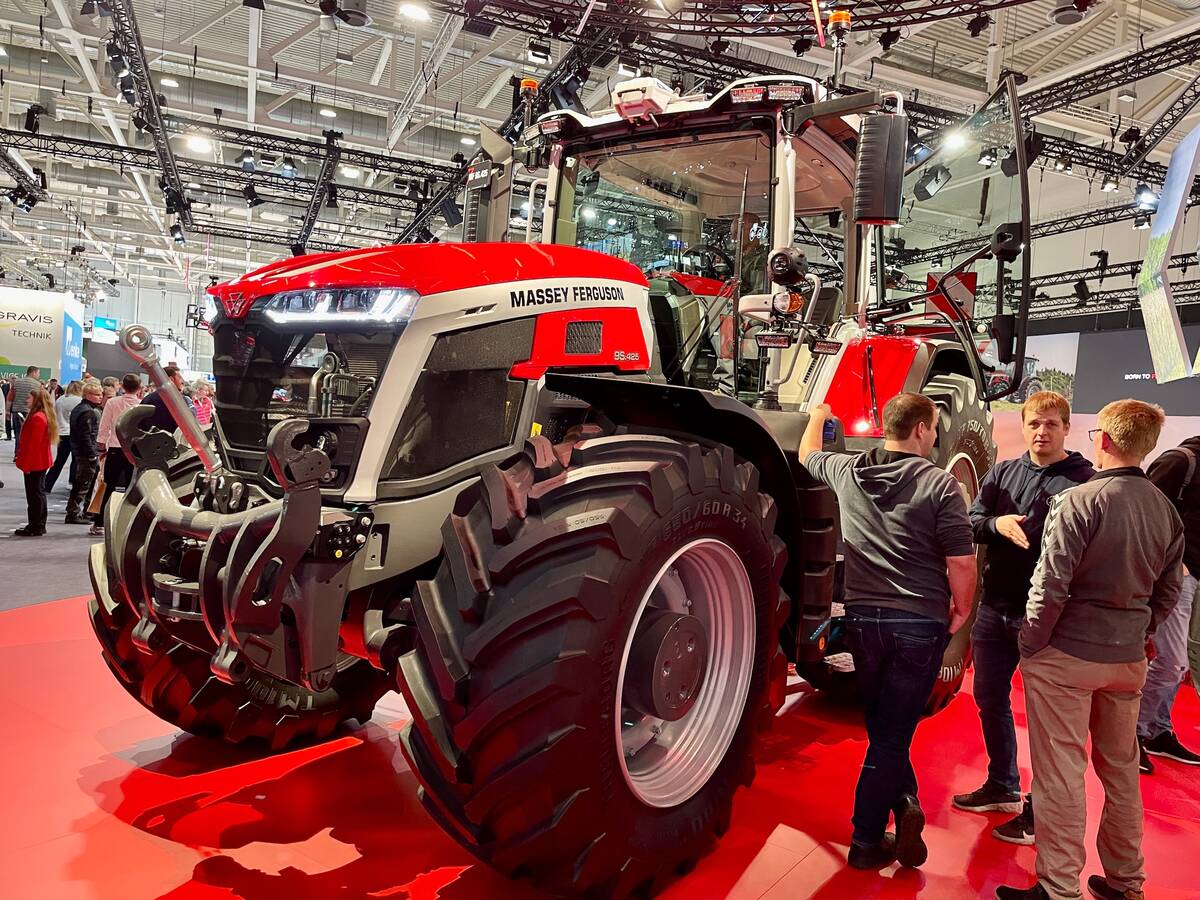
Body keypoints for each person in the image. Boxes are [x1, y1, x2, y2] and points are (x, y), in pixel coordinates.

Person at [996, 400, 1185, 900]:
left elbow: (1050, 584)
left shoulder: (1080, 500)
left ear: (1103, 439)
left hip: (1067, 658)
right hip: (1126, 661)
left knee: (1060, 772)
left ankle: (1059, 887)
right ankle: (1126, 883)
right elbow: (1168, 592)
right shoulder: (1165, 510)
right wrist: (1138, 633)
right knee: (1121, 771)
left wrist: (1031, 643)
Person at [800, 394, 977, 871]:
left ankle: (905, 802)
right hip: (919, 624)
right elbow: (961, 559)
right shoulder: (940, 485)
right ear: (920, 429)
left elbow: (806, 455)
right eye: (935, 428)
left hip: (863, 621)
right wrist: (962, 608)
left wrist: (818, 416)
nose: (936, 436)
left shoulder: (850, 473)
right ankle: (864, 840)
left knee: (882, 726)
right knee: (892, 737)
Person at [953, 392, 1095, 844]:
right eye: (1034, 423)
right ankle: (1003, 785)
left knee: (1047, 721)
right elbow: (972, 519)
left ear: (1066, 427)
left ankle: (1039, 809)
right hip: (995, 608)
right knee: (989, 699)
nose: (1041, 431)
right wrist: (997, 526)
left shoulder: (1084, 482)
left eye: (1050, 424)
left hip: (1049, 618)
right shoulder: (1004, 472)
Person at [1136, 434, 1200, 771]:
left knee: (1181, 664)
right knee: (1170, 660)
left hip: (1194, 579)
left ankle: (1157, 730)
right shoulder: (1182, 460)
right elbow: (1144, 513)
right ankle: (1132, 736)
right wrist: (1172, 563)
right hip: (1177, 577)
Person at [92, 373, 143, 536]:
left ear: (121, 386)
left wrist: (101, 447)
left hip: (114, 449)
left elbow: (104, 426)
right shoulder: (141, 405)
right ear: (139, 388)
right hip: (133, 451)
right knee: (130, 489)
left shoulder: (113, 403)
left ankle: (99, 523)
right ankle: (126, 525)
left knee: (108, 486)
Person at [13, 388, 58, 537]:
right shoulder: (43, 416)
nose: (27, 400)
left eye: (29, 398)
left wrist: (26, 466)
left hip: (35, 462)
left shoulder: (38, 418)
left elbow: (33, 445)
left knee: (34, 495)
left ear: (36, 400)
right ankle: (38, 524)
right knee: (38, 493)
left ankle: (35, 526)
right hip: (39, 461)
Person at [65, 382, 103, 525]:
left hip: (82, 452)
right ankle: (73, 513)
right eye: (97, 394)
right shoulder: (87, 411)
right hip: (86, 453)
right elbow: (86, 435)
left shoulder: (81, 409)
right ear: (88, 395)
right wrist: (92, 454)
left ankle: (80, 511)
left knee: (83, 483)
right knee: (83, 484)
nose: (100, 397)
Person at [46, 380, 84, 493]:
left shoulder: (60, 399)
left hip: (61, 432)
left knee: (59, 461)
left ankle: (47, 484)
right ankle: (72, 482)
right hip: (73, 433)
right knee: (76, 460)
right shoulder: (79, 401)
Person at [141, 365, 194, 432]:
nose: (182, 381)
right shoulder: (177, 401)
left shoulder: (148, 399)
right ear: (171, 379)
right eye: (180, 378)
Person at [9, 365, 42, 451]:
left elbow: (10, 398)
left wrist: (7, 412)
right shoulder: (38, 384)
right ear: (33, 372)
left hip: (16, 410)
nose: (39, 375)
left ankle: (17, 453)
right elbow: (40, 399)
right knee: (28, 434)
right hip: (30, 412)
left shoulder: (16, 382)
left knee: (18, 433)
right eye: (38, 373)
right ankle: (25, 452)